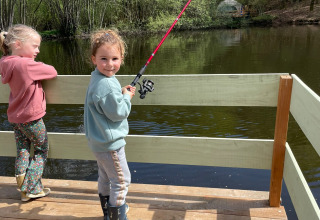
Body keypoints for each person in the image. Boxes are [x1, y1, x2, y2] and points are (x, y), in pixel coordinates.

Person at [0, 24, 58, 202]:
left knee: (23, 150)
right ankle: (30, 187)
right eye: (34, 46)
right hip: (32, 118)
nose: (38, 50)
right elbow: (52, 72)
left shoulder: (5, 62)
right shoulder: (26, 65)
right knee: (42, 149)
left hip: (16, 118)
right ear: (18, 44)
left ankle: (22, 185)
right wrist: (35, 64)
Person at [84, 29, 135, 220]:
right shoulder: (106, 84)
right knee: (121, 181)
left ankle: (109, 211)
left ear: (121, 58)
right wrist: (127, 97)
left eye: (115, 58)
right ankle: (117, 215)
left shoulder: (99, 78)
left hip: (99, 142)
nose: (110, 64)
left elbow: (106, 102)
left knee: (106, 178)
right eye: (104, 59)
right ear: (93, 59)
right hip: (110, 143)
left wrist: (120, 93)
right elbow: (119, 113)